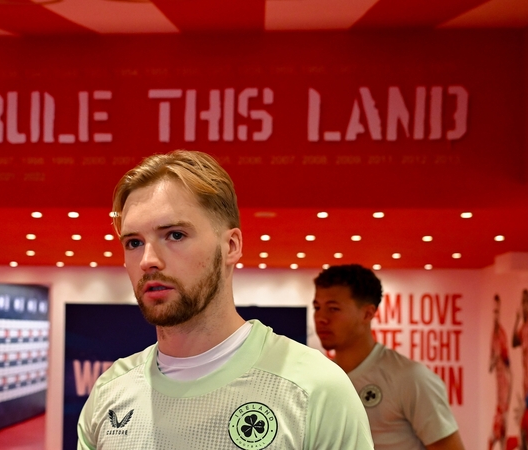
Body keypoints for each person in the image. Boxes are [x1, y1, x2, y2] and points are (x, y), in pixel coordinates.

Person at [77, 150, 373, 449]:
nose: (148, 260)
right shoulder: (110, 392)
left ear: (231, 246)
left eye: (175, 235)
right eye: (134, 242)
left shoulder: (315, 389)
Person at [312, 264, 464, 450]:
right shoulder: (322, 378)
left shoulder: (410, 377)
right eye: (317, 307)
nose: (320, 318)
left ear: (368, 313)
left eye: (333, 309)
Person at [490, 295, 511, 450]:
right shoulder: (493, 334)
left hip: (503, 392)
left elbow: (509, 370)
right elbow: (490, 365)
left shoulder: (502, 335)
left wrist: (507, 401)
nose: (495, 315)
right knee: (495, 438)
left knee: (496, 436)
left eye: (497, 311)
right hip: (498, 392)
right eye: (493, 312)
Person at [512, 289, 528, 449]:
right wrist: (517, 319)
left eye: (527, 302)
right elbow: (514, 342)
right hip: (526, 386)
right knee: (523, 428)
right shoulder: (523, 327)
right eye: (523, 302)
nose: (524, 306)